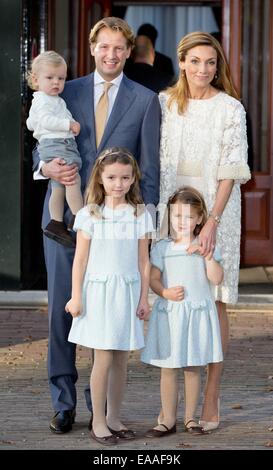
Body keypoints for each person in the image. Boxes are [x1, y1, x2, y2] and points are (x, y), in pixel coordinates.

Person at [32, 17, 161, 434]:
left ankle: (100, 408)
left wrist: (150, 224)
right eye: (104, 47)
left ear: (129, 51)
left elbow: (150, 168)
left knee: (107, 312)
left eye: (119, 48)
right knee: (62, 312)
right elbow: (41, 144)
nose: (111, 55)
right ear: (93, 48)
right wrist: (44, 166)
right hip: (65, 221)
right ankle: (63, 401)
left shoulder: (145, 100)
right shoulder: (62, 89)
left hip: (117, 228)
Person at [158, 31, 251, 430]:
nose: (203, 69)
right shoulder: (163, 103)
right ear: (181, 62)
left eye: (210, 62)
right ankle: (170, 408)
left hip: (217, 210)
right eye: (195, 61)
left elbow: (231, 169)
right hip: (170, 210)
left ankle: (211, 397)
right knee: (173, 300)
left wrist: (212, 220)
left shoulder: (231, 109)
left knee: (214, 300)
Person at [65, 147, 154, 445]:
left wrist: (144, 298)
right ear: (100, 178)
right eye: (112, 177)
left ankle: (115, 417)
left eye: (125, 178)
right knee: (101, 358)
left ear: (133, 180)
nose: (119, 183)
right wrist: (76, 297)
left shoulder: (140, 214)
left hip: (127, 293)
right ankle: (98, 421)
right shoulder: (89, 215)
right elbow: (80, 260)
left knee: (120, 359)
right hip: (99, 293)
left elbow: (144, 261)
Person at [142, 187, 223, 436]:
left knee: (192, 367)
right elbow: (153, 278)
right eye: (177, 216)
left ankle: (190, 418)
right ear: (170, 216)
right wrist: (164, 293)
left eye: (188, 217)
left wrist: (207, 255)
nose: (182, 222)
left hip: (196, 315)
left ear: (199, 219)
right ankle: (167, 418)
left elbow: (217, 278)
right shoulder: (163, 247)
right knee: (168, 368)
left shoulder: (205, 245)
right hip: (172, 315)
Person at [27, 51, 83, 248]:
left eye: (61, 78)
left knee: (58, 186)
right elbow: (44, 121)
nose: (56, 82)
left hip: (56, 143)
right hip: (58, 144)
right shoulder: (44, 99)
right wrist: (68, 124)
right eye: (50, 77)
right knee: (72, 179)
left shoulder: (53, 99)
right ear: (35, 79)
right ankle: (80, 217)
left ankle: (56, 222)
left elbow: (32, 123)